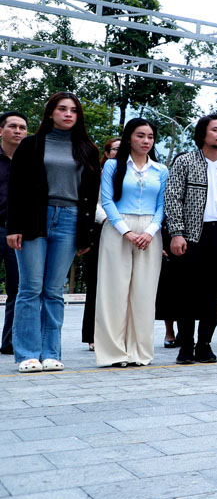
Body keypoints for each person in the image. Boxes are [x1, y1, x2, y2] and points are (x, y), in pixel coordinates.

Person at [6, 92, 101, 373]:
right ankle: (27, 355)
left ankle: (51, 352)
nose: (68, 114)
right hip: (35, 219)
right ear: (50, 113)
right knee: (30, 288)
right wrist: (14, 227)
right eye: (62, 109)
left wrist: (87, 235)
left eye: (73, 110)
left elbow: (90, 194)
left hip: (71, 221)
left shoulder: (87, 149)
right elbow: (17, 188)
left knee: (53, 291)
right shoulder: (31, 145)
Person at [163, 114, 217, 365]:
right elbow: (173, 198)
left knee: (213, 294)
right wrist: (176, 232)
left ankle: (204, 344)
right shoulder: (185, 162)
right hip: (190, 236)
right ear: (203, 134)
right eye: (216, 130)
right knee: (186, 293)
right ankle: (186, 345)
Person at [95, 118, 168, 368]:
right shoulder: (113, 167)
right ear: (129, 138)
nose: (146, 141)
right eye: (140, 136)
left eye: (150, 137)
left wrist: (149, 232)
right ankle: (113, 353)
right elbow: (107, 202)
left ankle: (140, 353)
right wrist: (126, 232)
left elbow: (162, 207)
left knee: (144, 293)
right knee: (113, 292)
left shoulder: (161, 170)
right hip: (117, 229)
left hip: (150, 231)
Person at [82, 136, 119, 352]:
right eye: (114, 149)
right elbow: (91, 202)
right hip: (100, 229)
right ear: (106, 154)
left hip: (126, 233)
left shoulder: (130, 175)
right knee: (96, 285)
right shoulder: (97, 175)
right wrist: (109, 219)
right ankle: (92, 334)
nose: (118, 153)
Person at [0, 110, 29, 356]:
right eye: (12, 126)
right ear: (1, 131)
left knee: (17, 288)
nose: (18, 130)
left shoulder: (31, 162)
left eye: (22, 127)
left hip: (18, 232)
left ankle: (9, 342)